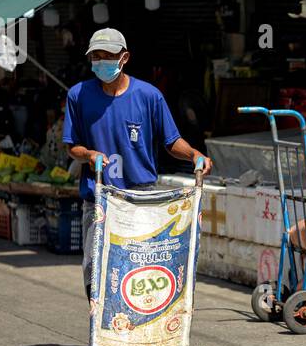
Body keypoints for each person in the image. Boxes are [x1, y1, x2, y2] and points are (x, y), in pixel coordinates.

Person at [63, 28, 212, 300]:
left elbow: (171, 141)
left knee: (138, 269)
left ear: (124, 57)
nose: (101, 61)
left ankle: (137, 333)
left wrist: (193, 155)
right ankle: (100, 331)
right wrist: (89, 154)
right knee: (97, 269)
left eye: (108, 55)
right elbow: (71, 145)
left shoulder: (149, 96)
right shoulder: (79, 95)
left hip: (140, 196)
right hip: (98, 197)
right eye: (96, 56)